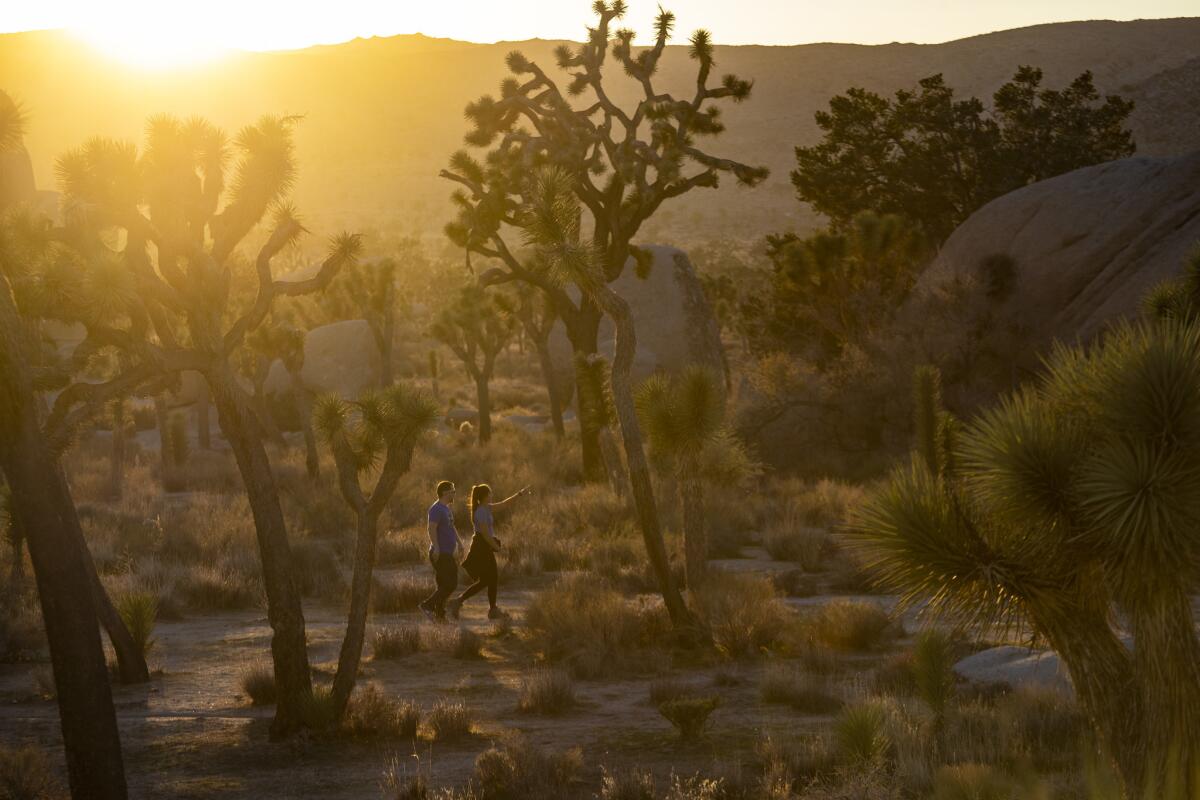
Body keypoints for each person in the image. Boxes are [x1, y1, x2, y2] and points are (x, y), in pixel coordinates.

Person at [446, 483, 530, 621]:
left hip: (485, 546)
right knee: (489, 579)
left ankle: (469, 603)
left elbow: (504, 504)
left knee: (488, 579)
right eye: (490, 493)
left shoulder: (486, 508)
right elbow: (485, 535)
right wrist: (498, 549)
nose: (492, 495)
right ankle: (488, 609)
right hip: (481, 547)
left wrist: (519, 494)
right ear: (484, 496)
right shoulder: (480, 511)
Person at [419, 480, 462, 623]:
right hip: (440, 553)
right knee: (451, 584)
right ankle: (427, 606)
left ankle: (439, 615)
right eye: (453, 491)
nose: (454, 493)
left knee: (444, 585)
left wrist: (460, 543)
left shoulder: (446, 509)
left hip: (447, 552)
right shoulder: (436, 509)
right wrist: (436, 546)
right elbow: (431, 528)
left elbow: (451, 527)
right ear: (445, 492)